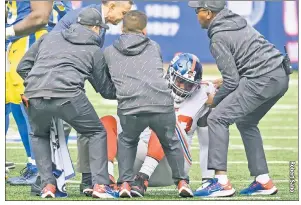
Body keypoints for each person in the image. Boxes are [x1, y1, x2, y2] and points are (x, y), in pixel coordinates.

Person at [188, 0, 289, 197]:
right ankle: (263, 180)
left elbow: (232, 82)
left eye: (198, 10)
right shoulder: (235, 20)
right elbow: (247, 62)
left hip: (261, 79)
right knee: (246, 122)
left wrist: (213, 101)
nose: (196, 15)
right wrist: (222, 81)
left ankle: (221, 182)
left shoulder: (217, 37)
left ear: (208, 13)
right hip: (280, 75)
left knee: (217, 118)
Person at [17, 7, 117, 199]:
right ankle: (100, 185)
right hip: (69, 96)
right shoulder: (94, 49)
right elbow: (106, 90)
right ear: (96, 28)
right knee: (95, 132)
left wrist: (35, 84)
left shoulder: (48, 37)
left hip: (35, 94)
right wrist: (128, 91)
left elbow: (23, 66)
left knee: (39, 134)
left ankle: (48, 186)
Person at [103, 10, 193, 198]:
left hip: (130, 105)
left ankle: (125, 183)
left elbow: (110, 81)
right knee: (170, 141)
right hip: (160, 101)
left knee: (128, 140)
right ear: (144, 30)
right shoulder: (154, 46)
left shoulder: (109, 52)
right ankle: (182, 182)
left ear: (121, 27)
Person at [50, 1, 133, 191]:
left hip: (69, 81)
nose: (125, 17)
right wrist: (117, 90)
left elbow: (89, 61)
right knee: (63, 129)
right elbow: (57, 46)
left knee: (84, 125)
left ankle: (86, 180)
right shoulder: (88, 17)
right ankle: (48, 180)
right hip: (61, 82)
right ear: (111, 5)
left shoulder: (96, 20)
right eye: (124, 12)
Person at [5, 0, 56, 185]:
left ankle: (41, 169)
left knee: (29, 108)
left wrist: (7, 31)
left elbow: (41, 16)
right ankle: (32, 164)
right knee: (16, 108)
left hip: (29, 39)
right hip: (15, 42)